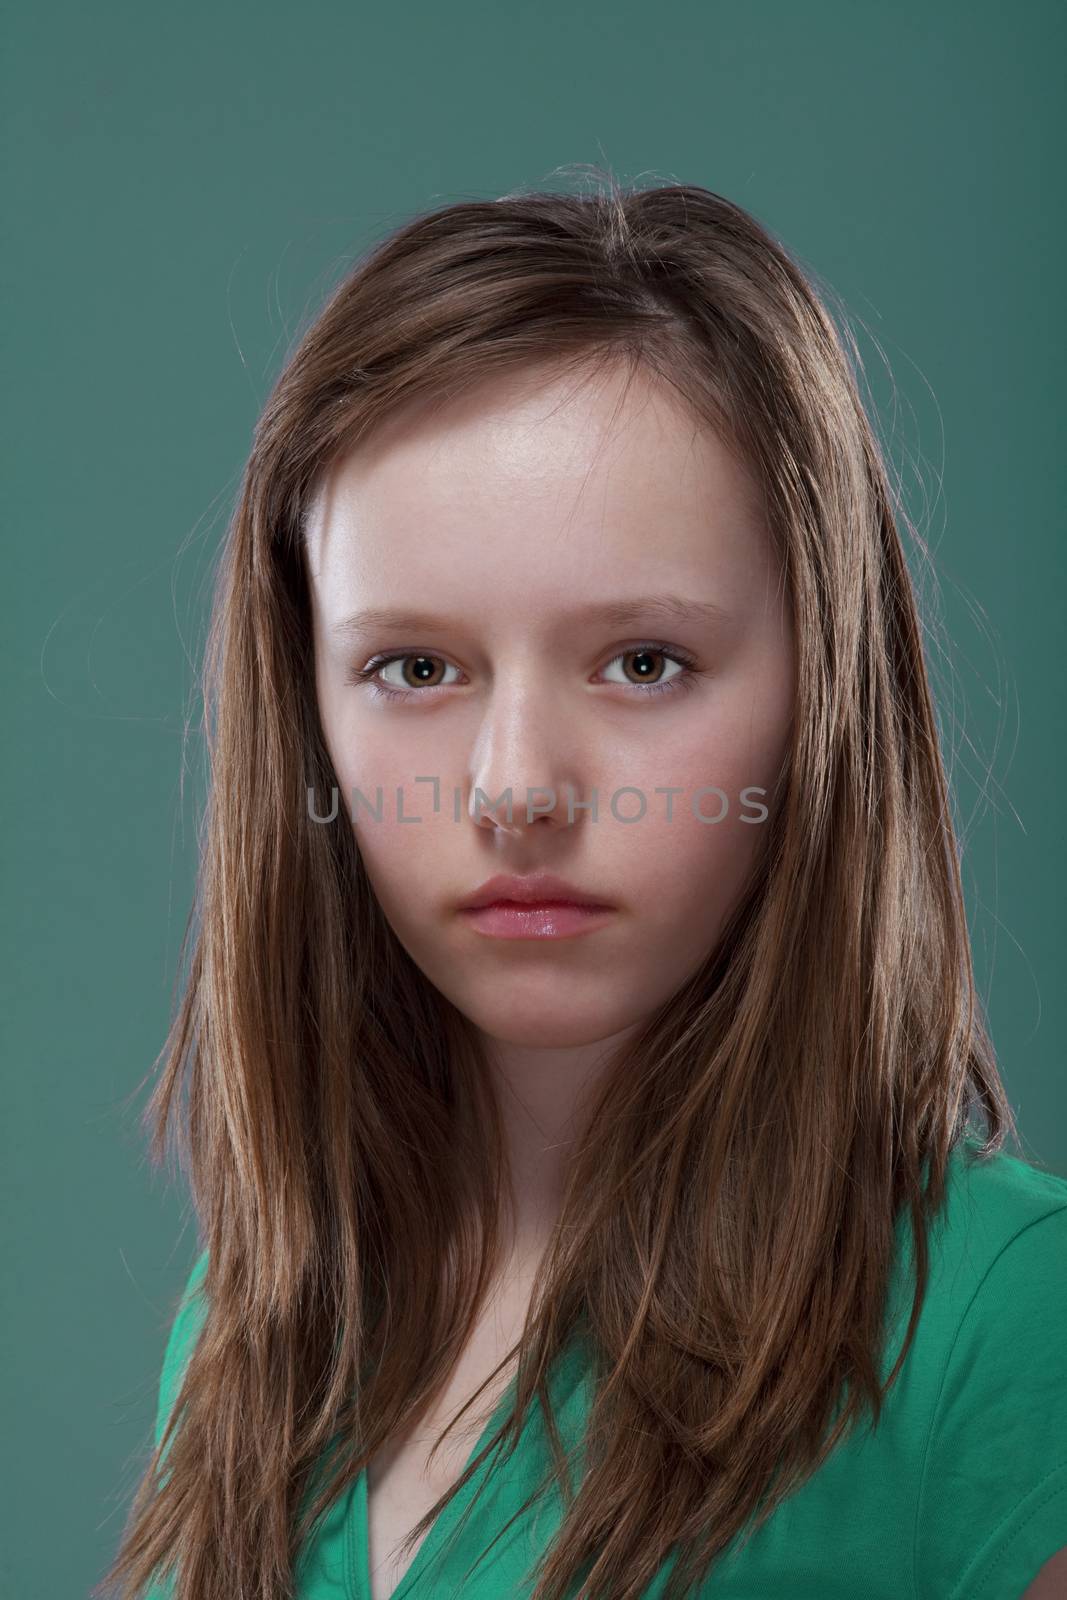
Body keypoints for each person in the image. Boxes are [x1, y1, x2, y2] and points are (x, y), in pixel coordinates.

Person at [97, 173, 1067, 1600]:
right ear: (307, 708)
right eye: (414, 668)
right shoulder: (255, 1330)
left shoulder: (1009, 1328)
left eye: (644, 663)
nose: (515, 787)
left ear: (822, 696)